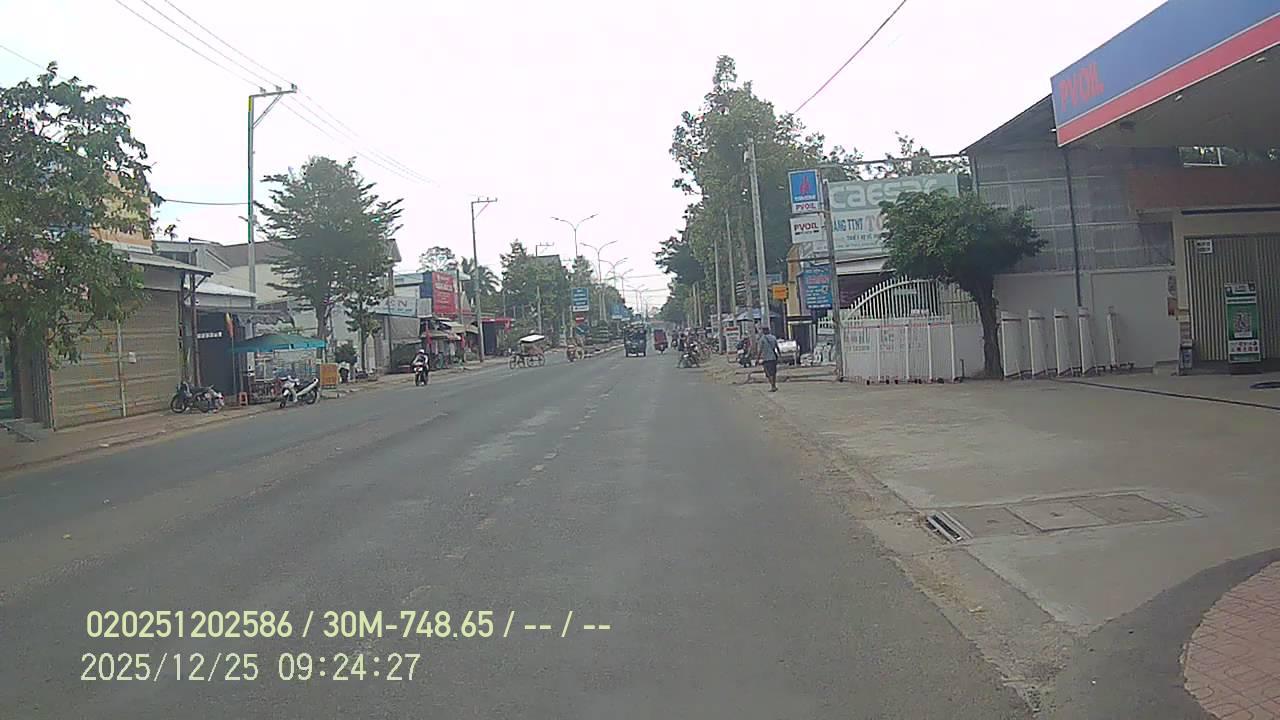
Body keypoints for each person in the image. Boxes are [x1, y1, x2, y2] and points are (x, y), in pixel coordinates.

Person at [758, 325, 781, 392]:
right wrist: (780, 355)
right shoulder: (773, 337)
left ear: (764, 331)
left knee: (768, 373)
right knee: (773, 373)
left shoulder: (762, 339)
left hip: (766, 359)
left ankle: (773, 386)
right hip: (773, 358)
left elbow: (760, 350)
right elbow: (777, 347)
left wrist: (758, 358)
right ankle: (774, 385)